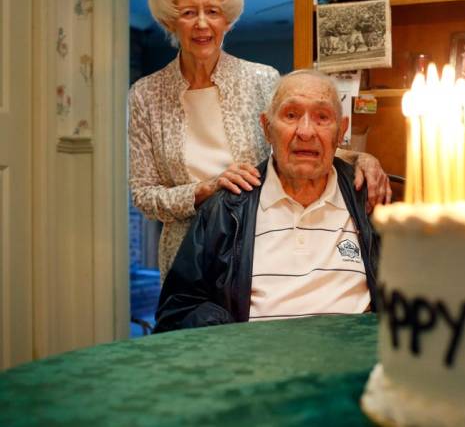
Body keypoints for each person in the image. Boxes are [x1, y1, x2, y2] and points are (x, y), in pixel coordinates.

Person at [129, 0, 391, 276]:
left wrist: (361, 159)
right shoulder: (145, 95)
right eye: (189, 12)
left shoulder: (261, 79)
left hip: (256, 249)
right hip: (187, 261)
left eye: (212, 11)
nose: (202, 23)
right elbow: (144, 196)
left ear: (226, 19)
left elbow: (299, 144)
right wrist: (205, 189)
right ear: (170, 20)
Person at [154, 70, 379, 332]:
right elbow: (177, 311)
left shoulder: (371, 199)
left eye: (322, 117)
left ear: (341, 131)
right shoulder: (226, 209)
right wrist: (235, 340)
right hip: (255, 367)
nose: (305, 132)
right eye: (291, 115)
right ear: (266, 128)